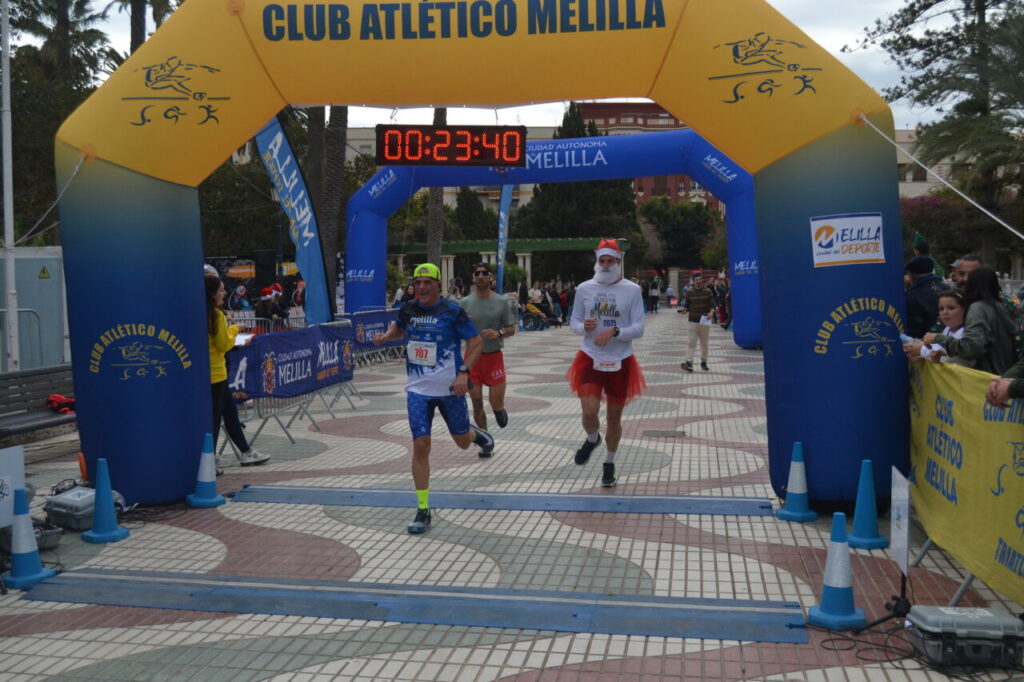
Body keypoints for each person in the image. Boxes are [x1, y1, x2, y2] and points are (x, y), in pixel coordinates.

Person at [373, 263, 494, 534]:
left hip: (451, 390)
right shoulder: (408, 309)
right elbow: (398, 330)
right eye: (418, 282)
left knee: (462, 442)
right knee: (421, 444)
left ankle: (477, 436)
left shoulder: (452, 310)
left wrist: (463, 373)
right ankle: (423, 509)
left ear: (439, 285)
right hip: (417, 390)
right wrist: (385, 337)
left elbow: (476, 343)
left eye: (428, 282)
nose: (423, 287)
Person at [567, 239, 646, 487]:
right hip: (590, 356)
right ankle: (592, 439)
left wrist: (614, 332)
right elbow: (574, 322)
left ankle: (609, 464)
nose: (605, 264)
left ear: (618, 261)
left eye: (610, 260)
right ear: (597, 261)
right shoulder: (584, 288)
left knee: (614, 418)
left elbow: (639, 328)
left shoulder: (632, 290)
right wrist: (583, 327)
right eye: (602, 260)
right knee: (589, 412)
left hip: (620, 361)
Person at [460, 263, 517, 453]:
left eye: (485, 274)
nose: (481, 276)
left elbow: (511, 329)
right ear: (473, 278)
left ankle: (499, 410)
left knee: (495, 402)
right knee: (476, 403)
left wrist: (499, 333)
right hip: (472, 360)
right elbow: (457, 328)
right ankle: (485, 440)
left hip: (494, 358)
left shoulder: (501, 302)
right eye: (477, 274)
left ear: (490, 278)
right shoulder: (465, 303)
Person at [916, 267, 1016, 374]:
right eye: (941, 309)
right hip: (1004, 373)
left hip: (987, 377)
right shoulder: (1001, 306)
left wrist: (938, 338)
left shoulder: (978, 308)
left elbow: (971, 348)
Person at [910, 290, 974, 368]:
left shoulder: (968, 332)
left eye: (951, 308)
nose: (945, 312)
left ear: (965, 310)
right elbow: (940, 351)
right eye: (941, 309)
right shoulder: (947, 329)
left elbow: (955, 359)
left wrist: (922, 350)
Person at [903, 255, 947, 339]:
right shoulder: (947, 288)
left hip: (926, 345)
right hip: (950, 339)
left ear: (912, 274)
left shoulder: (913, 296)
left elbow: (913, 328)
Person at [680, 271, 715, 372]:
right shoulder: (690, 292)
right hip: (692, 320)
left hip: (704, 321)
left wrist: (711, 313)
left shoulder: (708, 291)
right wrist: (684, 310)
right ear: (693, 281)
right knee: (691, 342)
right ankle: (688, 362)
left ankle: (704, 362)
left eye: (700, 280)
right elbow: (687, 305)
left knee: (704, 343)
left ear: (702, 280)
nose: (698, 281)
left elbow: (713, 305)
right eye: (696, 280)